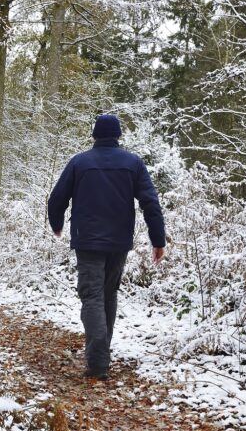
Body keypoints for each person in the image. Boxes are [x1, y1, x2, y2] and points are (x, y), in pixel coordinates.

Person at [47, 114, 166, 381]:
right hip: (118, 241)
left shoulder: (80, 162)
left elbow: (56, 199)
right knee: (108, 294)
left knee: (92, 296)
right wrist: (158, 240)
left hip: (87, 240)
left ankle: (98, 359)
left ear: (94, 135)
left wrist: (57, 224)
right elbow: (150, 202)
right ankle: (101, 352)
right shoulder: (133, 163)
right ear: (118, 135)